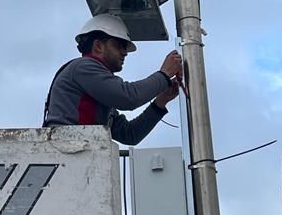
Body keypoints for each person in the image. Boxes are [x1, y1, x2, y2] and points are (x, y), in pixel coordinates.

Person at [43, 14, 183, 146]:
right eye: (119, 45)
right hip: (67, 152)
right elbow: (128, 97)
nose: (125, 52)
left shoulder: (97, 87)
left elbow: (129, 134)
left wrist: (161, 101)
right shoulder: (83, 67)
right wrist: (164, 75)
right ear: (98, 46)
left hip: (77, 155)